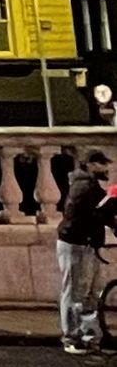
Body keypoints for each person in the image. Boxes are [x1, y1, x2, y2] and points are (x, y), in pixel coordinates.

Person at [58, 150, 111, 354]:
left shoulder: (89, 185)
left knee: (89, 292)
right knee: (75, 292)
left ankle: (87, 335)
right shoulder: (84, 186)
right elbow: (93, 214)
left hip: (86, 244)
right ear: (89, 165)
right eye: (101, 164)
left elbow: (100, 213)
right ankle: (71, 337)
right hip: (76, 244)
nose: (105, 168)